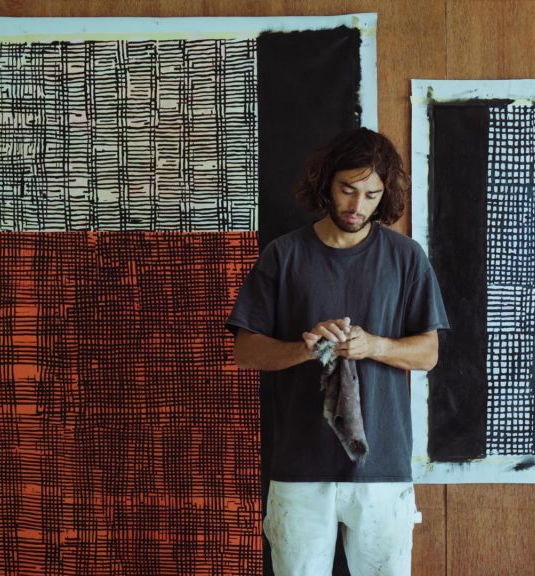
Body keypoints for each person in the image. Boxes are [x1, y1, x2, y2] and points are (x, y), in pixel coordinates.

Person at [226, 127, 449, 576]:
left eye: (371, 195)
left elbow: (428, 354)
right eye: (348, 189)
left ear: (384, 195)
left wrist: (373, 345)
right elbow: (245, 352)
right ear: (327, 182)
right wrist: (304, 348)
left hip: (383, 468)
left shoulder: (406, 257)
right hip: (299, 466)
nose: (357, 205)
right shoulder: (284, 255)